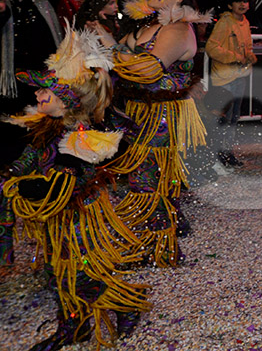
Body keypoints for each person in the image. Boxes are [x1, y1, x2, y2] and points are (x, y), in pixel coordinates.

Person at [93, 0, 234, 267]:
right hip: (136, 110)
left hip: (161, 117)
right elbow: (118, 55)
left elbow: (146, 68)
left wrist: (113, 51)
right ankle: (159, 233)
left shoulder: (177, 29)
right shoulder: (148, 24)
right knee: (145, 178)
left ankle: (162, 248)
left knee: (148, 178)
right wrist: (101, 44)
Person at [1, 26, 150, 350]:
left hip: (79, 216)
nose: (38, 96)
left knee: (85, 270)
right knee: (57, 272)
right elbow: (33, 156)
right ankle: (72, 325)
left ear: (68, 101)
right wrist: (14, 170)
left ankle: (128, 302)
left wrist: (46, 185)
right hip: (55, 218)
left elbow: (80, 175)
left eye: (46, 93)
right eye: (39, 92)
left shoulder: (83, 136)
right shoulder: (45, 126)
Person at [205, 0, 258, 168]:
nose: (243, 5)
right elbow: (211, 47)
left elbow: (247, 46)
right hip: (224, 77)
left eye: (245, 1)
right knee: (223, 118)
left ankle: (227, 151)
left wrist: (249, 56)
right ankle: (218, 153)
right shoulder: (225, 22)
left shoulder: (245, 22)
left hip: (239, 76)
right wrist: (235, 57)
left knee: (234, 117)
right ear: (230, 5)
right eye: (238, 1)